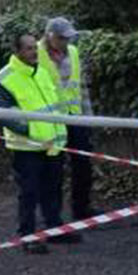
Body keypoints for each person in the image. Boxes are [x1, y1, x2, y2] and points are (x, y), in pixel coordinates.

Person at [0, 31, 70, 253]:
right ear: (17, 51)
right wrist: (34, 131)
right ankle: (27, 236)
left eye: (35, 47)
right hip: (27, 148)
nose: (34, 52)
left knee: (52, 190)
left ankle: (53, 229)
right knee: (29, 193)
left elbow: (53, 106)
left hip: (52, 145)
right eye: (28, 48)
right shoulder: (4, 79)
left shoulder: (41, 72)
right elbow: (3, 114)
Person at [38, 16, 94, 220]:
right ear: (49, 36)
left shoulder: (73, 52)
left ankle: (82, 210)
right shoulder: (35, 54)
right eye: (62, 38)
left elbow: (80, 86)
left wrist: (89, 118)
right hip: (51, 122)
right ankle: (53, 218)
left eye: (69, 38)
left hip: (75, 118)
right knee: (54, 172)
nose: (66, 42)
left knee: (83, 166)